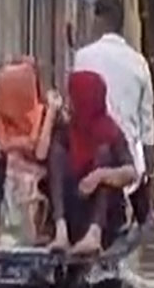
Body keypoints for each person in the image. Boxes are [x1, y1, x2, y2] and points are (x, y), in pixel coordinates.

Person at [73, 0, 154, 225]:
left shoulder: (82, 57)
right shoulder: (139, 64)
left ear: (99, 21)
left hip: (86, 169)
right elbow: (147, 132)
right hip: (128, 173)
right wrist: (148, 183)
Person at [48, 70, 139, 255]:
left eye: (72, 97)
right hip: (74, 207)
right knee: (56, 153)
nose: (68, 102)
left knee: (104, 156)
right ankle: (61, 231)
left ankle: (94, 234)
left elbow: (131, 172)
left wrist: (99, 176)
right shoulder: (66, 130)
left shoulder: (111, 132)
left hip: (105, 215)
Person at [0, 59, 60, 244]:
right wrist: (12, 147)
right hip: (9, 176)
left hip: (39, 177)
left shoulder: (44, 113)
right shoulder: (1, 117)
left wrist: (51, 115)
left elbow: (40, 152)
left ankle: (45, 229)